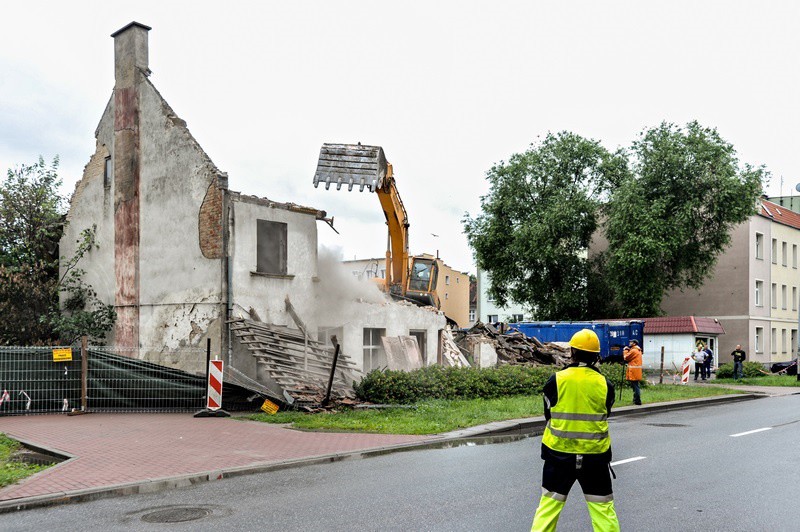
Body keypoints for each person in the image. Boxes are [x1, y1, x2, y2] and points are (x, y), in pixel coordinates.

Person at [531, 329, 620, 532]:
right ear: (596, 356)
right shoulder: (606, 385)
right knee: (603, 511)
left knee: (548, 509)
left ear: (572, 352)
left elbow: (548, 414)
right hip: (595, 457)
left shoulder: (556, 380)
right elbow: (606, 412)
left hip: (558, 455)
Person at [623, 339, 643, 405]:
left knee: (635, 386)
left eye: (631, 342)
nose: (629, 342)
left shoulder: (634, 350)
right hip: (636, 371)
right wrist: (629, 350)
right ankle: (635, 400)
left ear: (634, 343)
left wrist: (625, 350)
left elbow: (626, 357)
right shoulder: (637, 350)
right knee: (635, 386)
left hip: (633, 371)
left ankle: (637, 401)